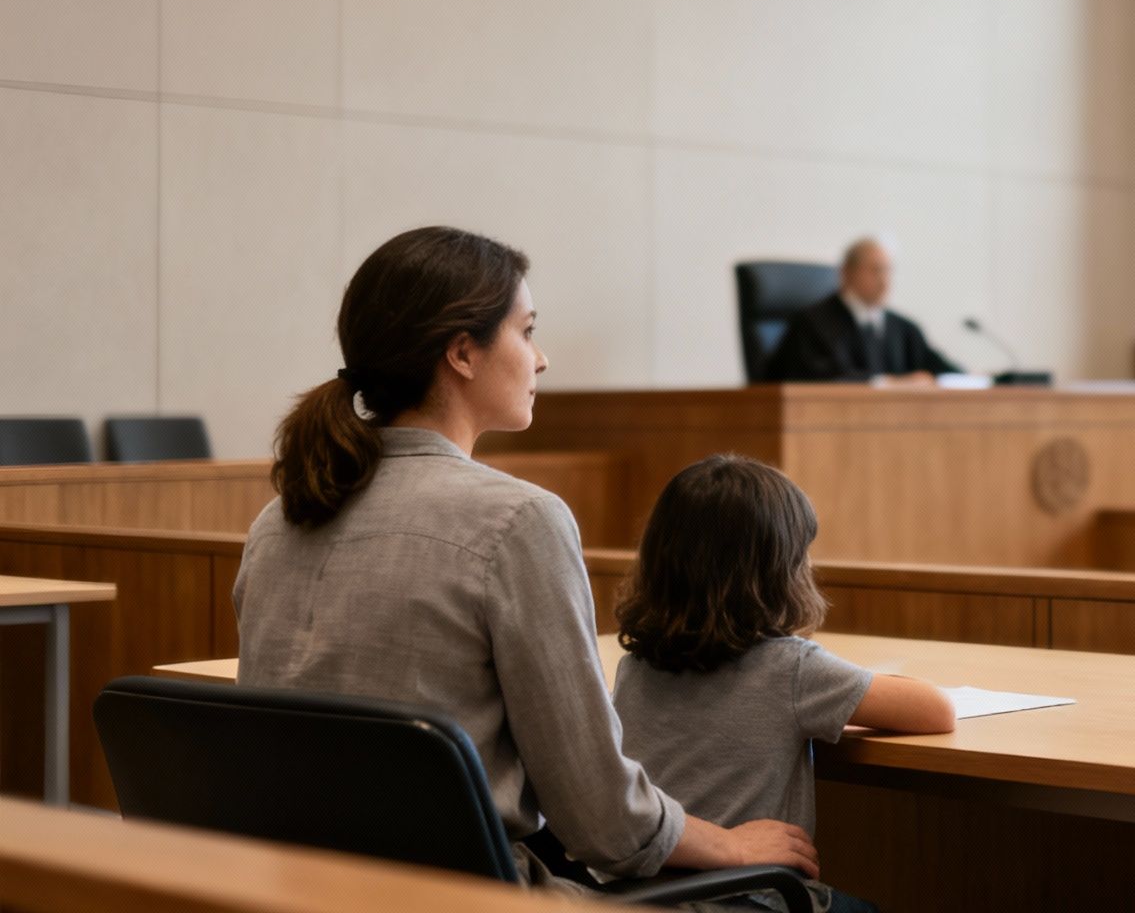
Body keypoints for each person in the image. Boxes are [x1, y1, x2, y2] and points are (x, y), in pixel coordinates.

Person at [236, 226, 818, 893]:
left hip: (297, 895)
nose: (540, 360)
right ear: (462, 352)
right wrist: (734, 844)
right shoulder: (517, 521)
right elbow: (605, 823)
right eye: (526, 331)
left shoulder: (277, 521)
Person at [611, 454, 956, 913]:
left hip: (639, 896)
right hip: (749, 898)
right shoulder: (791, 669)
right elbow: (936, 709)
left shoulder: (634, 667)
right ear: (781, 573)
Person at [765, 238, 959, 382]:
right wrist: (890, 383)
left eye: (887, 270)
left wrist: (978, 379)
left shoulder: (903, 328)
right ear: (846, 273)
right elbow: (822, 380)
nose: (884, 281)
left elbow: (940, 370)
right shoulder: (813, 324)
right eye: (875, 270)